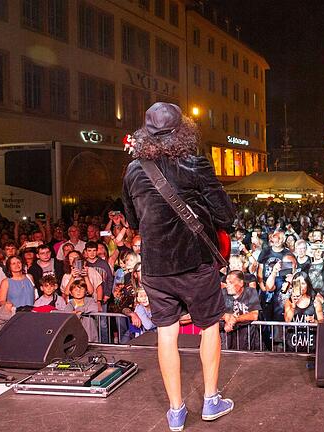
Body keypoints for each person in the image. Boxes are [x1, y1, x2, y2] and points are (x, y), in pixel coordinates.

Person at [123, 102, 236, 430]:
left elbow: (132, 220)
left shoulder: (133, 170)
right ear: (181, 131)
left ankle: (176, 412)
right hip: (195, 262)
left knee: (166, 333)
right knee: (209, 326)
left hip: (156, 267)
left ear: (146, 133)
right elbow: (226, 215)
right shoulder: (195, 163)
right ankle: (212, 400)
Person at [221, 270, 261, 350]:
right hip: (227, 337)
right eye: (227, 283)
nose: (228, 285)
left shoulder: (250, 292)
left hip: (247, 337)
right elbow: (214, 312)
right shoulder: (222, 293)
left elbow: (254, 315)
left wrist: (236, 319)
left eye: (231, 283)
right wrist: (226, 317)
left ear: (241, 283)